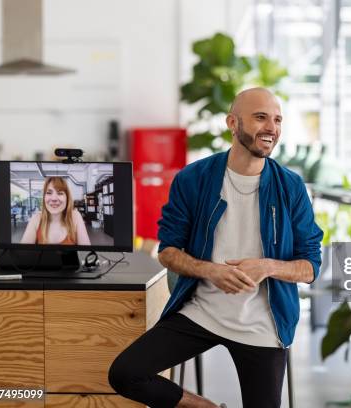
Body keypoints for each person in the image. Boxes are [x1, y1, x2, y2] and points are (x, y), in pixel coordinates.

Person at [108, 88, 323, 408]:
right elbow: (168, 251)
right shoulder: (193, 179)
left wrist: (267, 266)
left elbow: (310, 267)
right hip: (201, 313)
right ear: (232, 123)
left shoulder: (290, 186)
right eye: (260, 117)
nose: (271, 128)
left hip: (263, 326)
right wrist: (211, 271)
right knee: (125, 373)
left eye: (277, 120)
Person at [20, 176, 91, 246]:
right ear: (44, 197)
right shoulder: (36, 218)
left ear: (67, 198)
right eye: (49, 193)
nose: (54, 198)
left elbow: (87, 254)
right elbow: (23, 253)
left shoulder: (75, 216)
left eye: (60, 193)